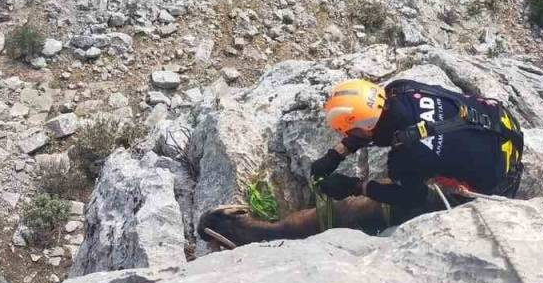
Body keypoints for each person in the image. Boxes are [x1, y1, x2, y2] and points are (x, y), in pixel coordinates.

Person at [196, 78, 524, 249]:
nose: (348, 137)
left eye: (349, 133)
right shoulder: (401, 90)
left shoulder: (407, 158)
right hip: (497, 128)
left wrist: (354, 186)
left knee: (357, 209)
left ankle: (261, 235)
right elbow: (375, 125)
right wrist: (336, 155)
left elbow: (405, 195)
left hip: (495, 185)